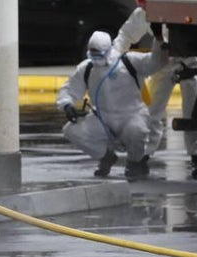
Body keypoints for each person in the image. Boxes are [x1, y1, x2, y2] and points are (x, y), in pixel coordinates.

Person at [114, 0, 197, 179]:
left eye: (147, 4)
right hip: (163, 66)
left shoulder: (175, 14)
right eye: (141, 4)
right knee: (152, 111)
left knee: (192, 112)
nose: (144, 8)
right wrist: (112, 59)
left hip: (188, 63)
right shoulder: (141, 16)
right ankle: (145, 155)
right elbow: (125, 36)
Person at [57, 30, 166, 180]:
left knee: (137, 131)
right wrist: (67, 105)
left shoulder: (129, 61)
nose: (96, 58)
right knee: (71, 131)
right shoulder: (87, 68)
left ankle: (135, 161)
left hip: (131, 115)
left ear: (108, 50)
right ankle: (105, 156)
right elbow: (70, 88)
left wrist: (158, 41)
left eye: (99, 53)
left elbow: (156, 63)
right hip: (102, 118)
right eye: (92, 53)